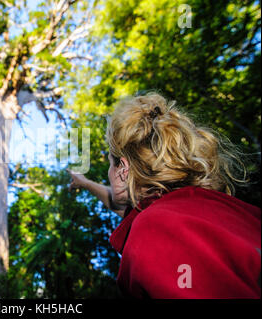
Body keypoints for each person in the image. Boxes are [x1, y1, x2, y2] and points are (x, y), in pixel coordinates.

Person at [67, 92, 261, 298]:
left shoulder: (154, 228)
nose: (108, 172)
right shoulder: (214, 208)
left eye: (110, 163)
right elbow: (120, 204)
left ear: (123, 169)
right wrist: (85, 183)